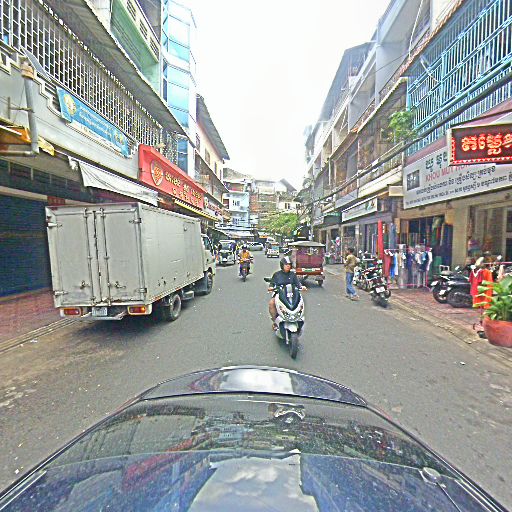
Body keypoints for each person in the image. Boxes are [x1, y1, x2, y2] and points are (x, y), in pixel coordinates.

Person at [268, 256, 305, 327]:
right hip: (280, 293)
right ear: (282, 265)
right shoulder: (277, 274)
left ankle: (297, 317)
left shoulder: (293, 274)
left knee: (300, 303)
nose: (288, 266)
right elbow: (272, 283)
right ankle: (275, 321)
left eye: (289, 265)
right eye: (286, 265)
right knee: (271, 303)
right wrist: (271, 287)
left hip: (292, 294)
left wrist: (301, 287)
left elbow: (297, 283)